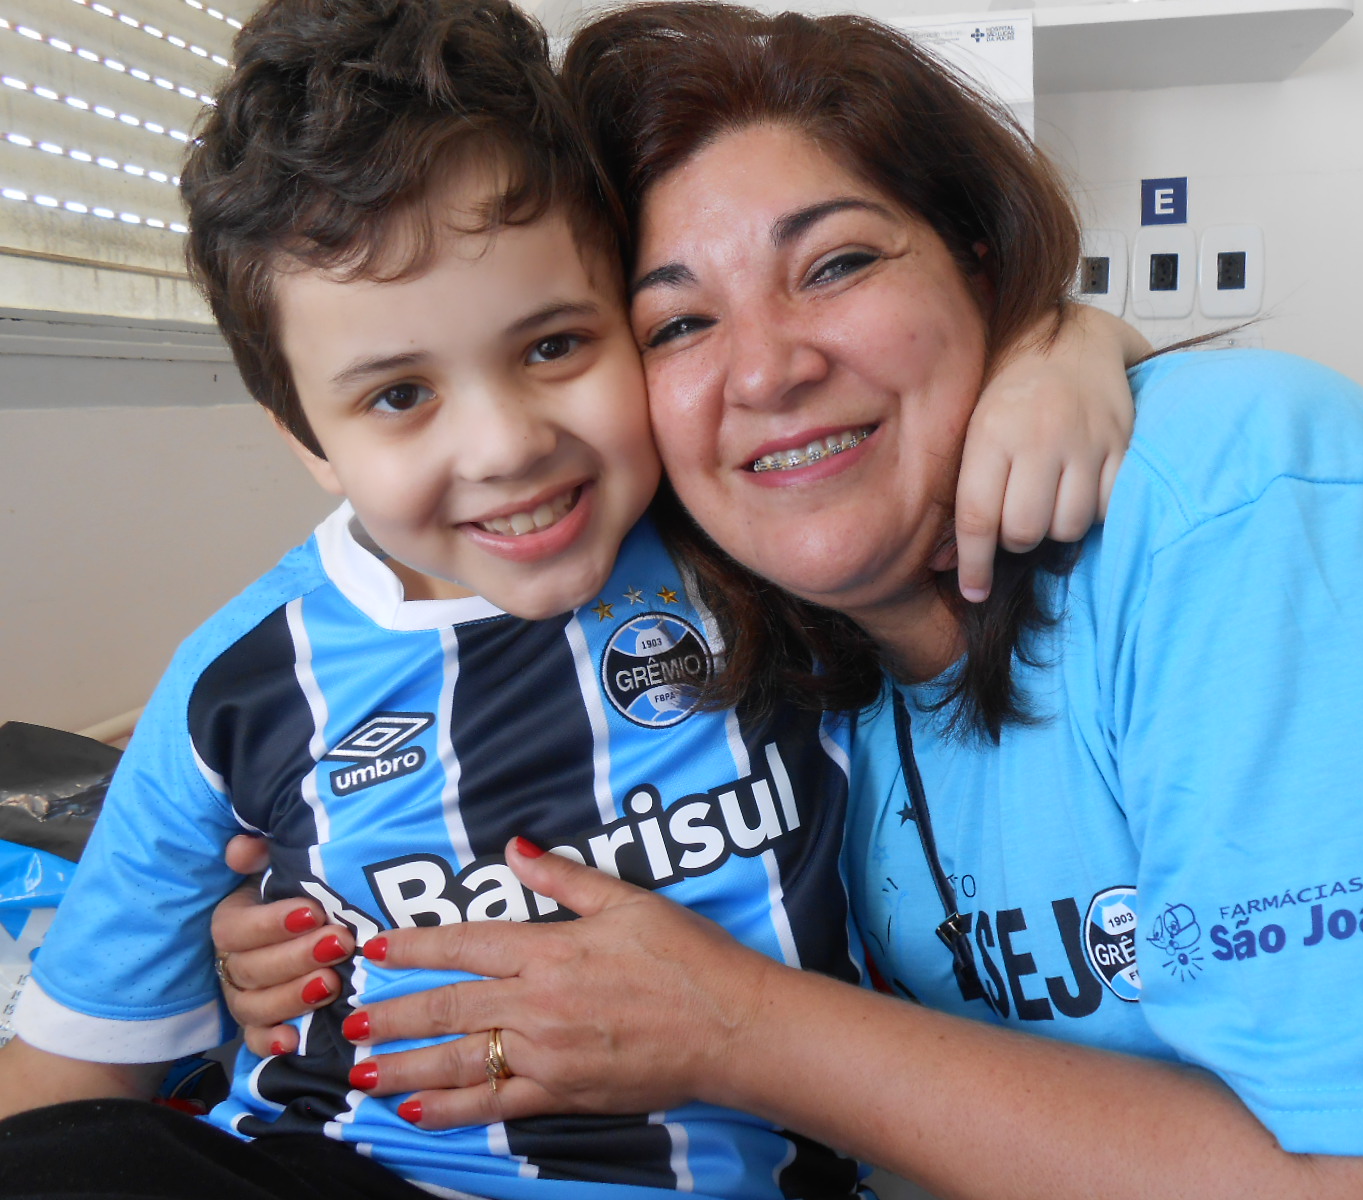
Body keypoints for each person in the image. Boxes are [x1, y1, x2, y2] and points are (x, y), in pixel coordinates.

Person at [215, 5, 1363, 1199]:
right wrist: (316, 938)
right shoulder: (765, 658)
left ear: (981, 267)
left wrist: (739, 1027)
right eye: (677, 323)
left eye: (838, 263)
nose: (766, 370)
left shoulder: (1249, 499)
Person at [0, 0, 1147, 1196]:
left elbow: (905, 424)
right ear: (305, 437)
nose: (505, 444)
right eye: (397, 395)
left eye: (553, 345)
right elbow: (69, 1075)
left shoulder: (745, 548)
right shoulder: (238, 685)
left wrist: (1062, 342)